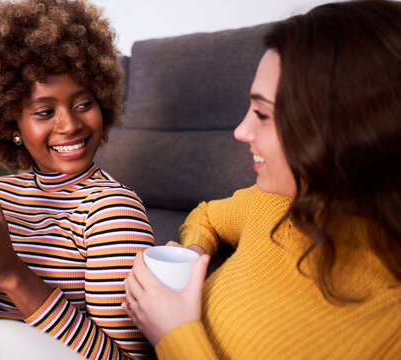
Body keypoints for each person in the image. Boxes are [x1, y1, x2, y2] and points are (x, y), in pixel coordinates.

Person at [123, 0, 401, 358]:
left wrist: (173, 333)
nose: (241, 131)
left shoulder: (389, 326)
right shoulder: (273, 201)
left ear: (341, 132)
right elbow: (206, 215)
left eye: (263, 114)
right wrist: (194, 255)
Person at [0, 0, 153, 359]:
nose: (70, 125)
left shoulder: (113, 211)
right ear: (12, 125)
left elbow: (126, 358)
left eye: (83, 104)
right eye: (45, 111)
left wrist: (9, 272)